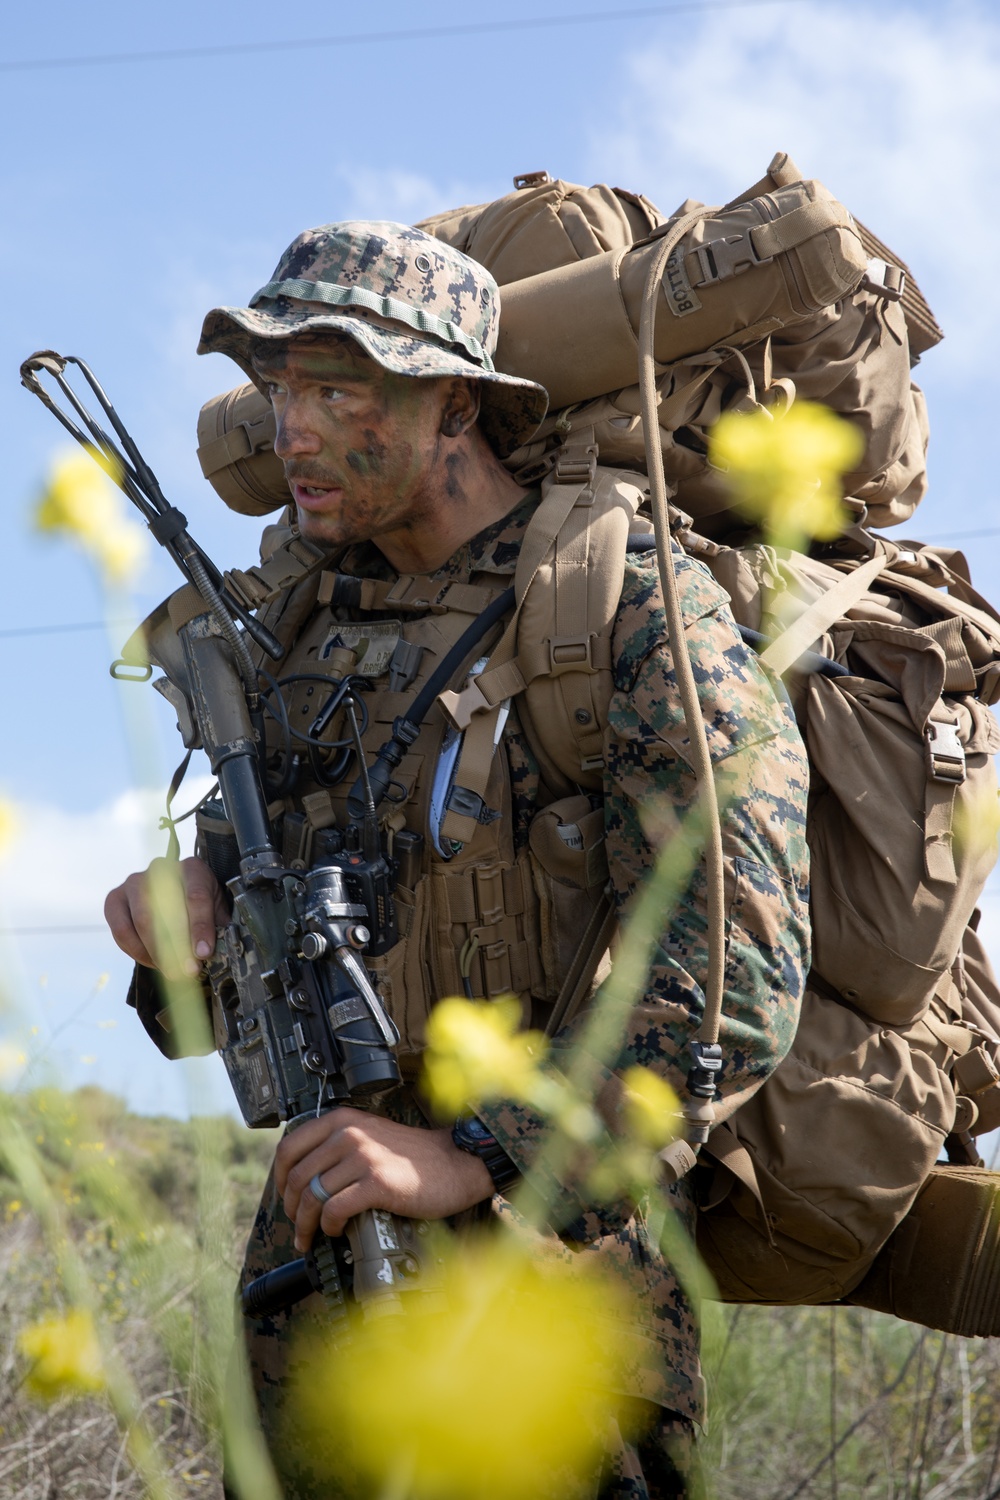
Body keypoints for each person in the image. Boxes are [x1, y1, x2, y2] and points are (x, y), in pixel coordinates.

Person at [105, 220, 811, 1499]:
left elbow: (737, 969)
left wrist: (470, 1157)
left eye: (336, 388)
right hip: (308, 1302)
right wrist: (182, 920)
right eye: (275, 391)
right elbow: (236, 984)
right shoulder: (309, 630)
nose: (292, 431)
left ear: (451, 409)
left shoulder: (615, 602)